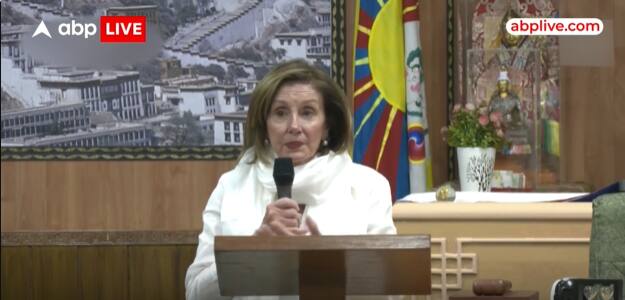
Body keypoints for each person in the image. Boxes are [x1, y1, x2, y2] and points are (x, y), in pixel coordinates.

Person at [185, 59, 397, 300]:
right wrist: (251, 250)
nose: (294, 126)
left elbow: (391, 292)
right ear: (265, 126)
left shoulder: (368, 187)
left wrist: (332, 267)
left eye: (307, 112)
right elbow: (195, 293)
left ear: (327, 125)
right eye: (280, 113)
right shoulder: (230, 186)